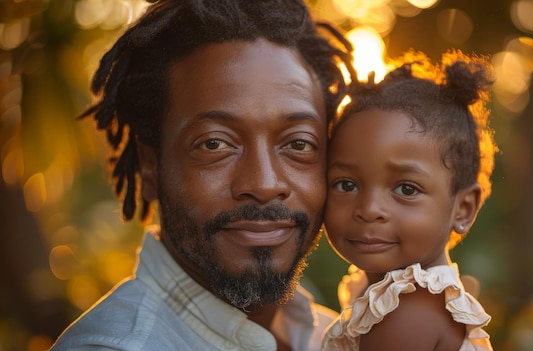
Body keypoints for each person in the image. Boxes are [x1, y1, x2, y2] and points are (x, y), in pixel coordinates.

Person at [51, 0, 355, 350]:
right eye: (214, 144)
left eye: (299, 144)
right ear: (151, 165)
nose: (264, 184)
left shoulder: (338, 338)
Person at [321, 50, 495, 351]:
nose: (369, 209)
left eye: (406, 189)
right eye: (346, 184)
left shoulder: (410, 313)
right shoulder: (387, 298)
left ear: (463, 208)